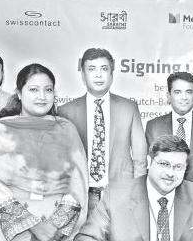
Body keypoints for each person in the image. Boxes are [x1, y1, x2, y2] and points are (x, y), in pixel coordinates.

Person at [0, 63, 88, 241]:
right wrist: (34, 226)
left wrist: (52, 230)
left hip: (54, 234)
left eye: (48, 90)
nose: (42, 96)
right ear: (19, 93)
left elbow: (77, 186)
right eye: (33, 90)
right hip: (8, 233)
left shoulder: (66, 130)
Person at [74, 135, 193, 241]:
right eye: (164, 164)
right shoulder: (117, 194)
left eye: (178, 167)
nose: (171, 173)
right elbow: (85, 240)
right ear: (149, 162)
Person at [57, 47, 148, 213]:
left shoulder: (129, 107)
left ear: (112, 74)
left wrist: (137, 193)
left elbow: (140, 158)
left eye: (104, 69)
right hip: (81, 197)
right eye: (92, 69)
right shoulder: (66, 111)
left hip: (121, 195)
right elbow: (61, 160)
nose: (98, 75)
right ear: (83, 75)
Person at [145, 71, 193, 183]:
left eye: (188, 92)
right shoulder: (153, 126)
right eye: (178, 92)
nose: (184, 97)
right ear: (168, 96)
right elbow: (150, 167)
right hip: (164, 189)